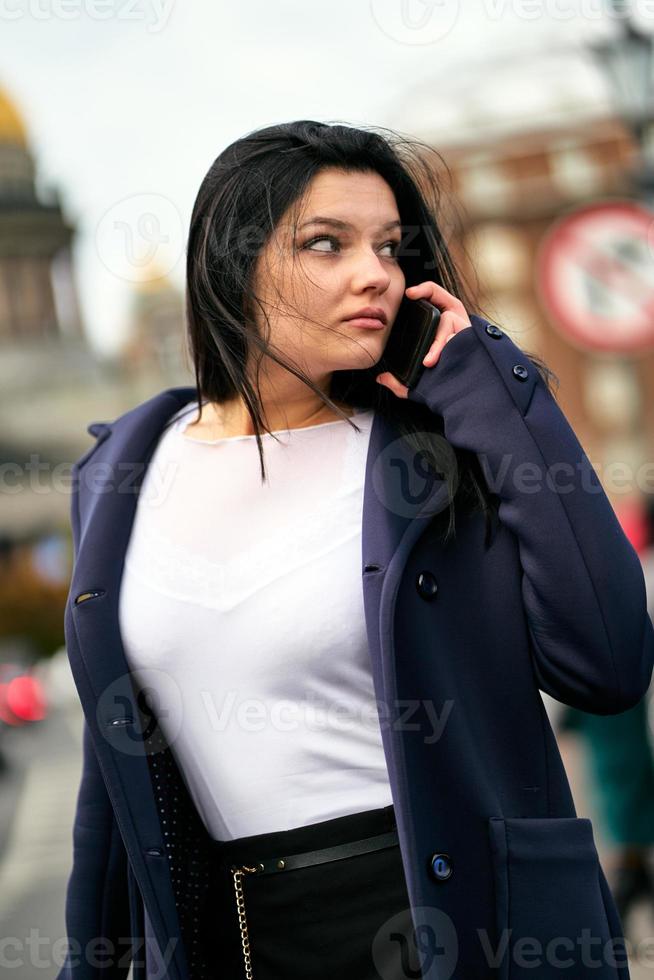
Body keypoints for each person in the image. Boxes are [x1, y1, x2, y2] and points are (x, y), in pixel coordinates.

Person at [58, 120, 654, 980]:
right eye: (325, 243)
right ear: (230, 263)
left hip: (463, 927)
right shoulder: (121, 468)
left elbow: (608, 659)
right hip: (242, 943)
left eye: (389, 247)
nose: (374, 272)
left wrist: (494, 389)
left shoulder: (442, 448)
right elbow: (113, 784)